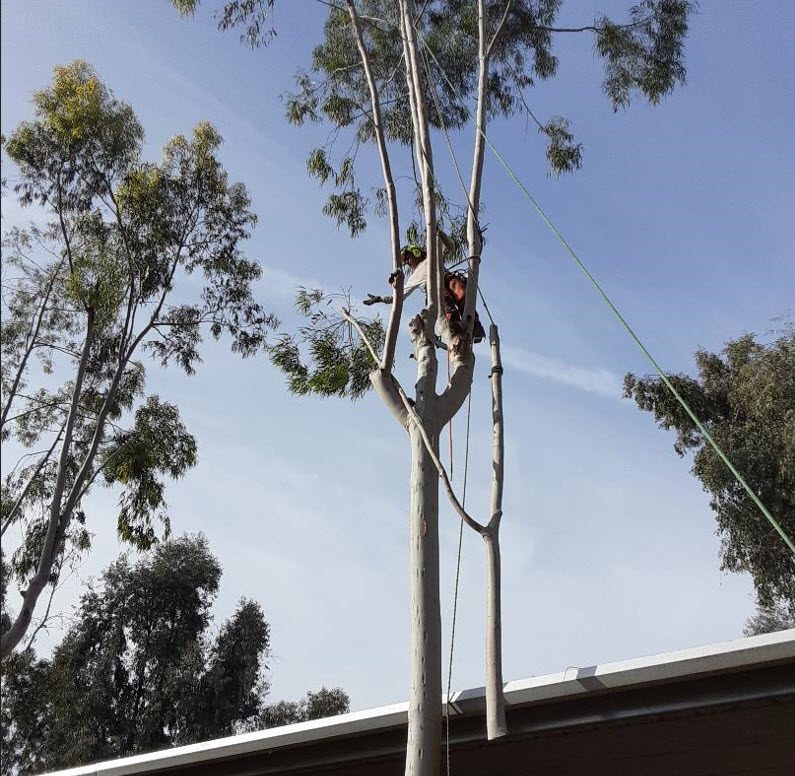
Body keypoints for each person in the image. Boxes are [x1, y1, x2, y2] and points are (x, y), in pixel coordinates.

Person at [364, 242, 484, 344]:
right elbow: (399, 296)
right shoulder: (413, 278)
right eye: (405, 261)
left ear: (416, 253)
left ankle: (474, 325)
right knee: (444, 299)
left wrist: (439, 235)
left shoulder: (432, 258)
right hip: (435, 290)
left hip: (446, 278)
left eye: (408, 258)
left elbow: (450, 247)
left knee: (458, 288)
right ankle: (455, 328)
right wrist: (380, 298)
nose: (407, 262)